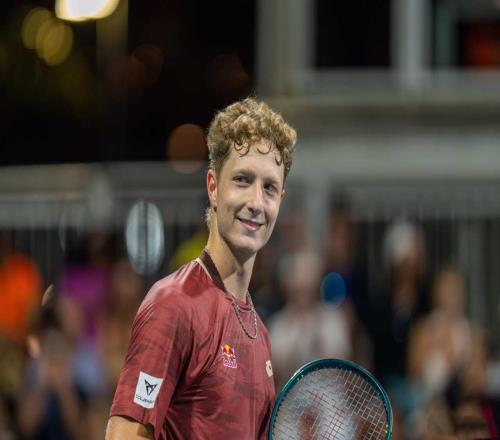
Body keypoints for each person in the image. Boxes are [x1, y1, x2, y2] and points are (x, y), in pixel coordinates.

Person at [106, 98, 297, 439]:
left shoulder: (261, 333)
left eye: (269, 187)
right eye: (242, 180)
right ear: (213, 187)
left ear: (280, 200)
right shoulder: (172, 305)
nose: (256, 202)